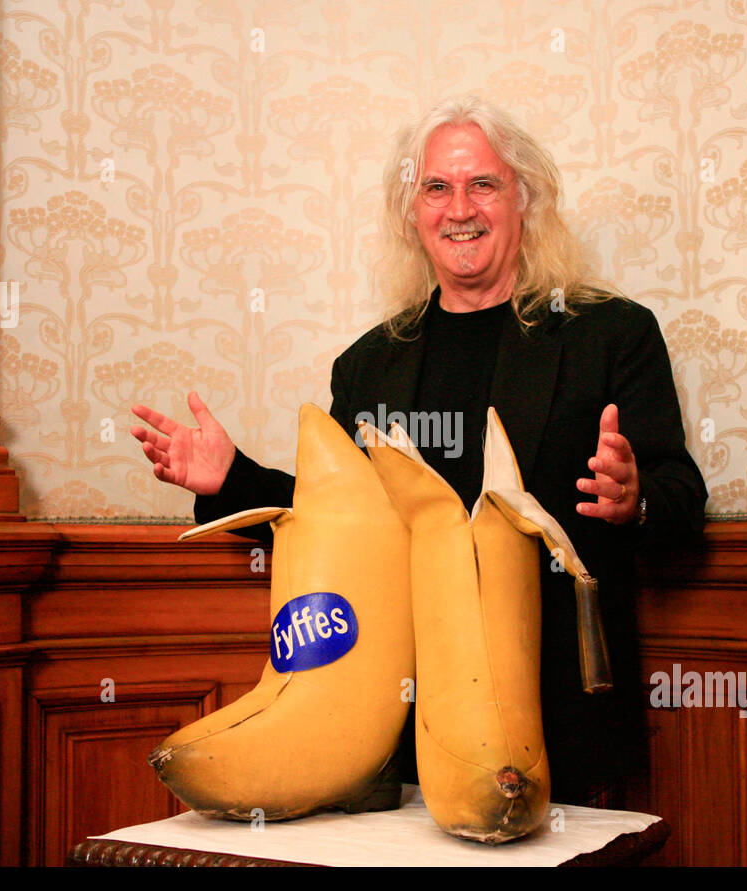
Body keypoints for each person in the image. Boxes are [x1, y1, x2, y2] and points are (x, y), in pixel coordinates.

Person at [130, 97, 707, 810]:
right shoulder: (370, 365)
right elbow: (345, 521)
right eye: (437, 187)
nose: (459, 207)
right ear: (412, 212)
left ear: (525, 200)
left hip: (563, 718)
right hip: (401, 723)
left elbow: (682, 497)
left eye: (482, 185)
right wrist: (231, 479)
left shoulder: (609, 334)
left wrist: (635, 496)